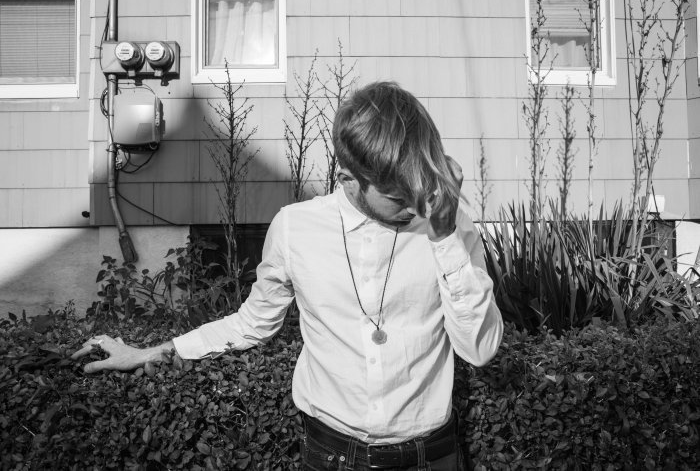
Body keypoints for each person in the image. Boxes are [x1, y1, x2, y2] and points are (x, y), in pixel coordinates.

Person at [72, 81, 504, 470]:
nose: (414, 206)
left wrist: (444, 238)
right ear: (348, 179)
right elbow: (252, 323)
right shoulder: (295, 228)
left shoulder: (448, 225)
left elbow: (479, 349)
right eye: (396, 197)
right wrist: (150, 352)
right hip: (330, 456)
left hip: (434, 457)